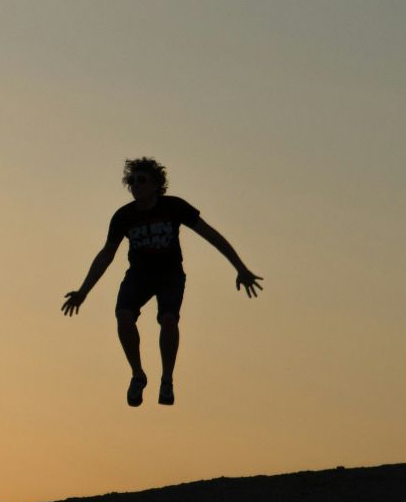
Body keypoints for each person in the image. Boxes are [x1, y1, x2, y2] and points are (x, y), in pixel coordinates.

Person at [61, 157, 263, 406]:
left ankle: (167, 379)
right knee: (123, 316)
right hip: (139, 276)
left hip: (169, 275)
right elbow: (106, 255)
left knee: (168, 319)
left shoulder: (174, 207)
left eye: (142, 180)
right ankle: (137, 374)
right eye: (132, 181)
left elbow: (211, 236)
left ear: (156, 185)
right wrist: (83, 291)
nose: (136, 185)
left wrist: (240, 268)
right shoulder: (123, 217)